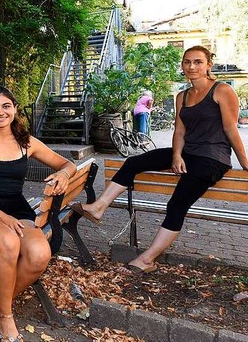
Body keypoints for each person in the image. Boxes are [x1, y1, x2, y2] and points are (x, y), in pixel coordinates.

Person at [72, 45, 248, 274]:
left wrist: (244, 162)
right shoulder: (182, 96)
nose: (191, 66)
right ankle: (98, 207)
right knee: (133, 162)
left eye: (198, 62)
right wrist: (175, 155)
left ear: (208, 66)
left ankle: (147, 259)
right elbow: (180, 132)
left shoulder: (222, 90)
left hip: (212, 159)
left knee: (176, 204)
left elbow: (230, 128)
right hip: (187, 153)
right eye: (187, 62)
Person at [0, 86, 77, 341]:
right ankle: (7, 317)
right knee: (8, 241)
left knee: (39, 253)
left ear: (14, 109)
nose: (0, 112)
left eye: (5, 106)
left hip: (16, 207)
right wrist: (2, 218)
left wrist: (64, 174)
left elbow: (67, 163)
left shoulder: (27, 142)